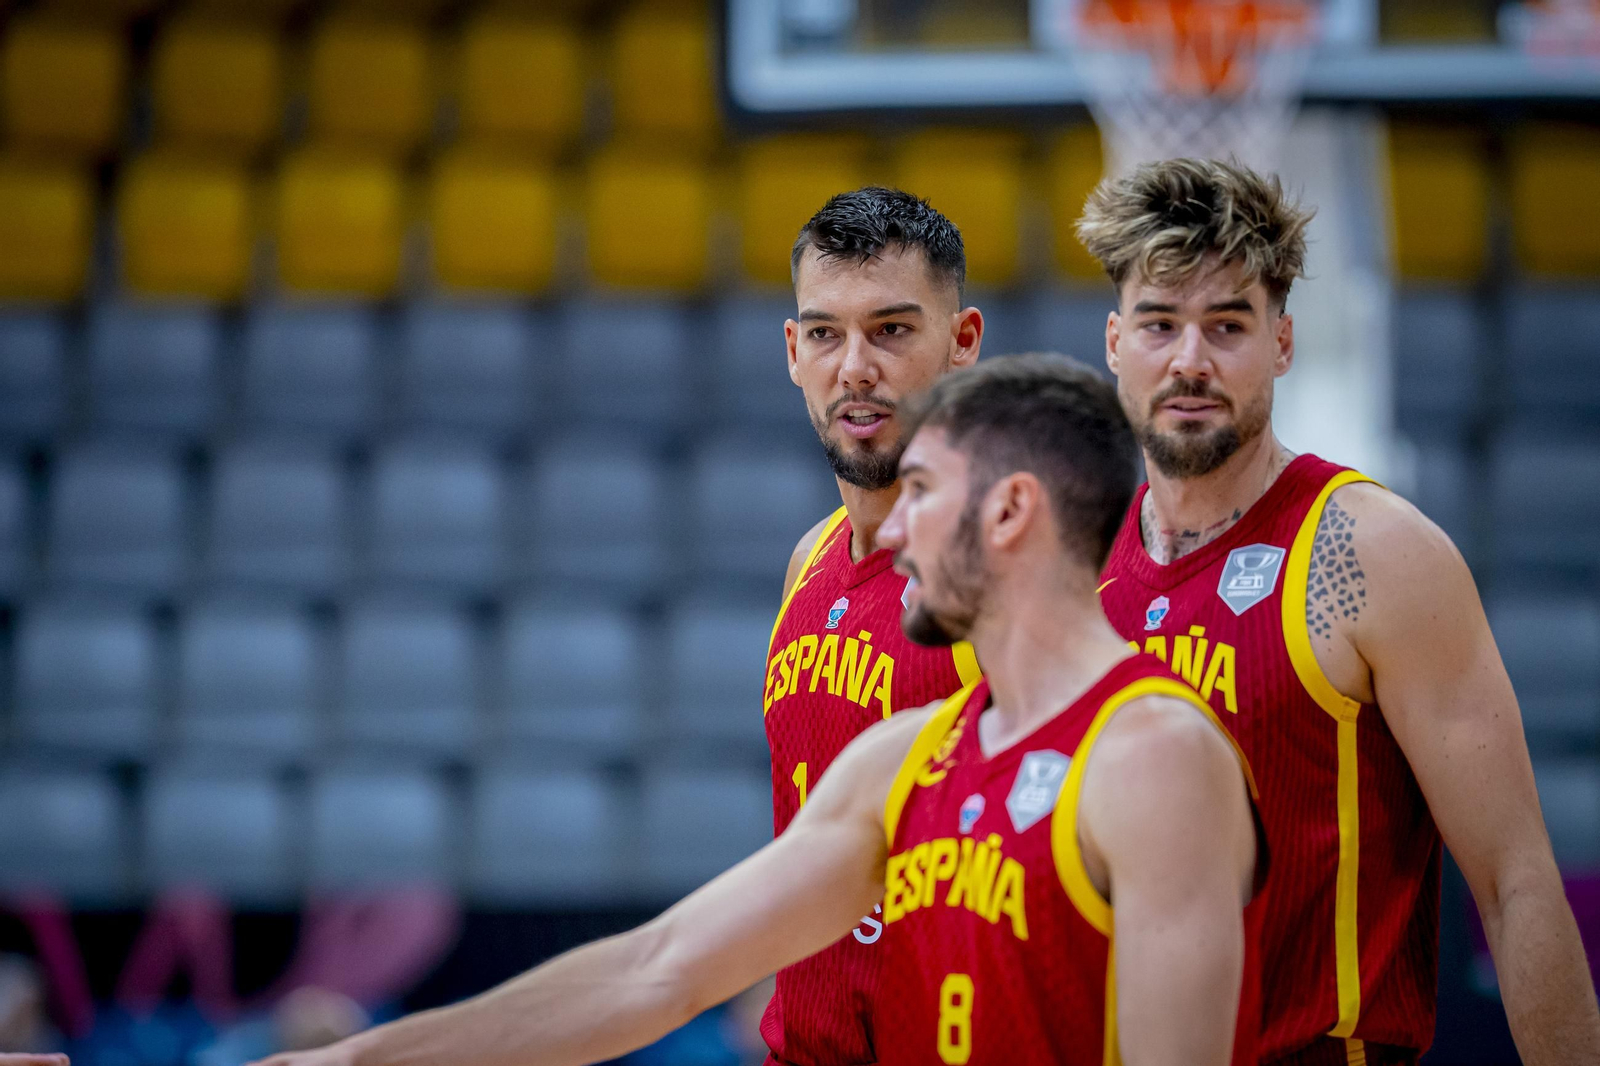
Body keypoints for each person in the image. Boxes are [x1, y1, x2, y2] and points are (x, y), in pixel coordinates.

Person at [246, 354, 1265, 1066]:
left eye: (920, 490)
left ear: (1008, 512)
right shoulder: (903, 758)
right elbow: (657, 969)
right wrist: (358, 1059)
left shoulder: (1153, 755)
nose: (893, 527)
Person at [1080, 157, 1600, 1065]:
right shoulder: (1079, 570)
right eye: (1161, 324)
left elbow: (1517, 884)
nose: (1190, 359)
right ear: (1117, 342)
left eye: (1227, 324)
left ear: (1282, 342)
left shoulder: (1370, 554)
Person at [760, 186, 984, 1065]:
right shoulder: (808, 561)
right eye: (825, 333)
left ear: (963, 342)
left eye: (891, 330)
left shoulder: (1014, 575)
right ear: (793, 350)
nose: (855, 367)